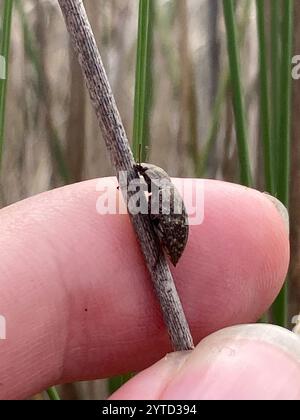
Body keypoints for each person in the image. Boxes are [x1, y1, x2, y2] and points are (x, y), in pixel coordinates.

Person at [0, 177, 299, 400]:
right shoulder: (156, 192)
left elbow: (157, 213)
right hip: (169, 235)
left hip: (170, 238)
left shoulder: (159, 195)